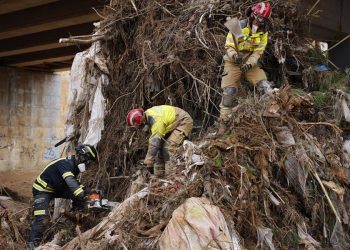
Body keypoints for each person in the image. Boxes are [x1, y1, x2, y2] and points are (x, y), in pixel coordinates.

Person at [27, 144, 97, 250]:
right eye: (86, 159)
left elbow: (74, 184)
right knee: (42, 219)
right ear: (78, 155)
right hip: (42, 190)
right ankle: (32, 245)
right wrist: (83, 195)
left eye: (88, 161)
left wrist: (89, 192)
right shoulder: (66, 163)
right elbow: (71, 182)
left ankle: (79, 214)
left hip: (56, 188)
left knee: (79, 193)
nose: (86, 163)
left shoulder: (74, 166)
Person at [219, 1, 274, 135]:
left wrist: (250, 63)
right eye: (259, 18)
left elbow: (258, 51)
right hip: (233, 62)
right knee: (229, 93)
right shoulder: (237, 25)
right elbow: (229, 46)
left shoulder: (263, 32)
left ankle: (271, 119)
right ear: (252, 14)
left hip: (250, 63)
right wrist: (234, 56)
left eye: (263, 20)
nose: (259, 22)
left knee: (265, 87)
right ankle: (223, 126)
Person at [127, 105, 193, 177]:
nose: (139, 129)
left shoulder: (156, 120)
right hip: (172, 123)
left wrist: (148, 162)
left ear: (141, 121)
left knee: (168, 148)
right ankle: (159, 177)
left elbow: (154, 143)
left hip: (183, 121)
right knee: (159, 150)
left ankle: (171, 176)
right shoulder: (147, 116)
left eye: (139, 126)